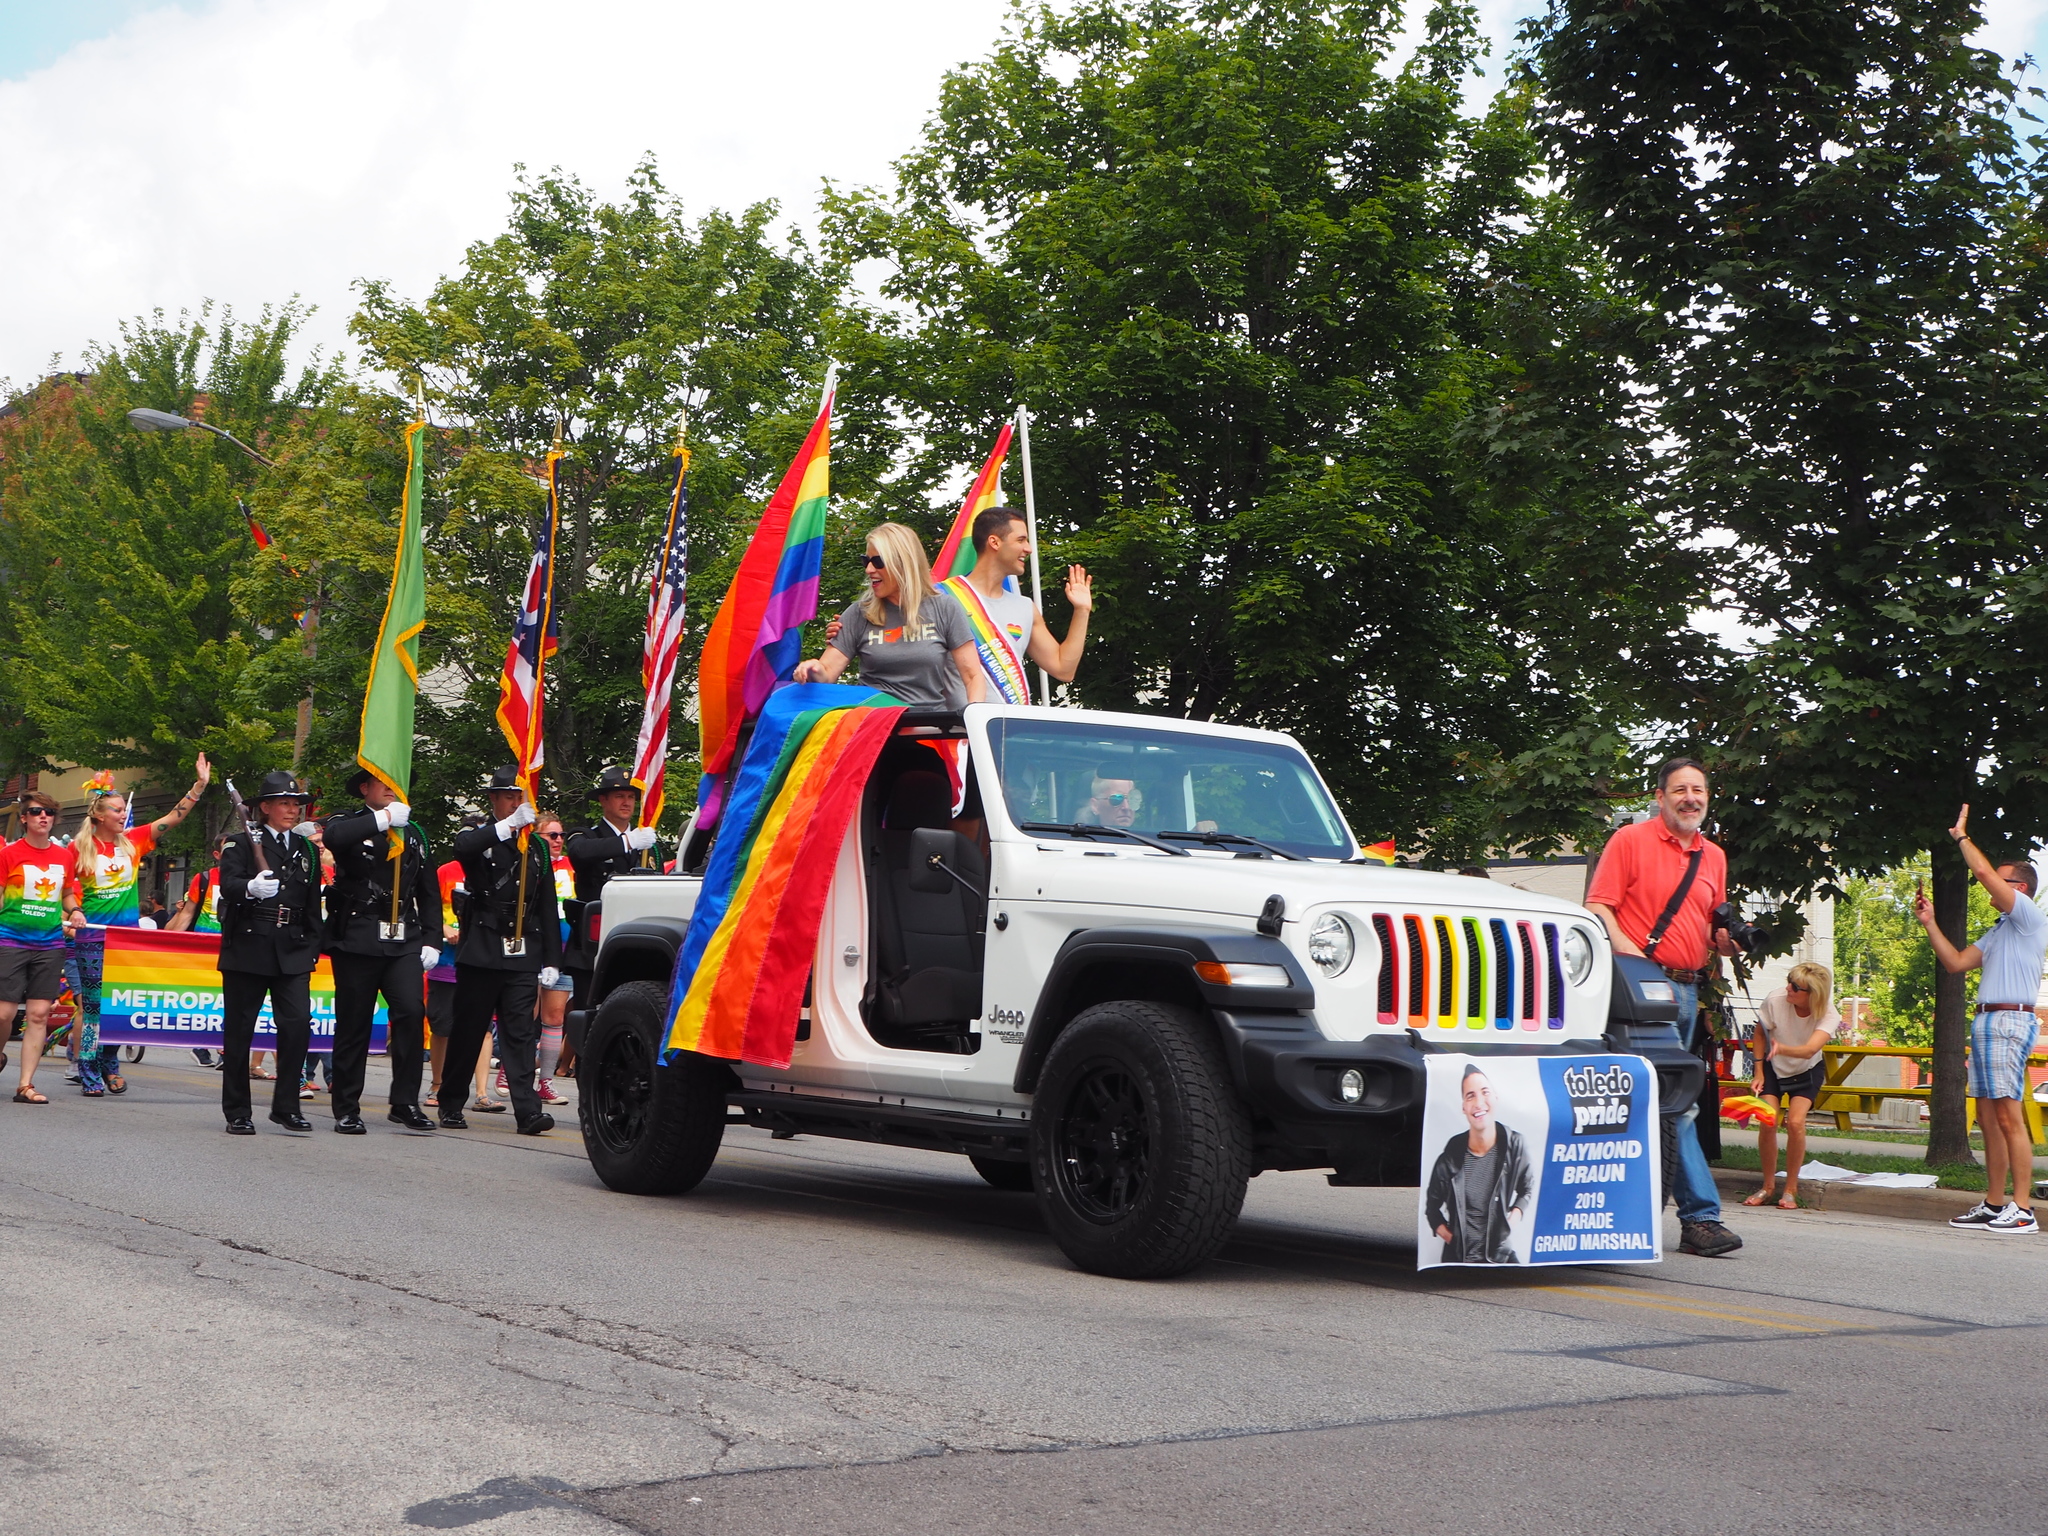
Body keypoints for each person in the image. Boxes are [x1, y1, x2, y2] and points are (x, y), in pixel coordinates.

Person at [1584, 758, 1744, 1258]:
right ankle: (1701, 1217)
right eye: (1680, 789)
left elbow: (1708, 923)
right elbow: (1600, 904)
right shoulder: (1629, 841)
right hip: (1640, 987)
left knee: (1661, 1102)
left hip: (1690, 990)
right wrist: (1630, 958)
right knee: (1676, 1101)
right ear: (1660, 797)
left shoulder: (1713, 856)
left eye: (1698, 789)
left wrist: (1725, 942)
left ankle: (1622, 1210)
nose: (1690, 797)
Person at [1918, 805, 2046, 1235]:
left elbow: (1987, 874)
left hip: (2010, 1022)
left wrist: (1961, 838)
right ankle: (1994, 1203)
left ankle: (2023, 1209)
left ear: (2021, 887)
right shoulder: (2000, 930)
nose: (1985, 883)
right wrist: (1931, 922)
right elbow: (1955, 962)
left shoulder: (2028, 917)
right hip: (1990, 1023)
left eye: (1998, 879)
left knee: (2009, 1116)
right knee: (1989, 1118)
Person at [68, 756, 211, 1093]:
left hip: (125, 940)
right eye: (117, 810)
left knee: (118, 1007)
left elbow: (174, 818)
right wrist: (73, 912)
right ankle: (88, 1071)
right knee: (93, 1009)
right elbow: (65, 891)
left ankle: (110, 1065)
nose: (123, 815)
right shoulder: (78, 849)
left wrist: (199, 786)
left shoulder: (133, 842)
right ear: (99, 816)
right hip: (92, 939)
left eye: (123, 810)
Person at [320, 766, 443, 1134]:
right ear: (364, 787)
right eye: (383, 783)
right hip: (357, 937)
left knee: (409, 1012)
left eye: (397, 785)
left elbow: (428, 891)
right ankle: (346, 1106)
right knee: (354, 1024)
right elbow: (335, 837)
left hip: (402, 939)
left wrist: (432, 939)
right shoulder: (350, 822)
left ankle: (404, 1101)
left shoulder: (414, 833)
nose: (393, 789)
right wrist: (383, 818)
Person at [446, 766, 560, 1135]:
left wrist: (552, 960)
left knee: (520, 1034)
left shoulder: (537, 846)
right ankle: (450, 1102)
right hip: (482, 946)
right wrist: (507, 825)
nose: (516, 802)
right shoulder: (481, 836)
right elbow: (462, 849)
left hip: (522, 949)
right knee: (469, 1030)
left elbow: (546, 906)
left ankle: (528, 1111)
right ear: (494, 799)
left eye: (521, 797)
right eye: (509, 796)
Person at [215, 771, 321, 1135]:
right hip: (249, 943)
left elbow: (311, 903)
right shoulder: (241, 841)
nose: (293, 810)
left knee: (296, 1025)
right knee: (240, 1030)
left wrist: (312, 945)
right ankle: (238, 1111)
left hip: (292, 947)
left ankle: (286, 1105)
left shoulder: (305, 848)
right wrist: (249, 887)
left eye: (296, 804)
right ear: (265, 807)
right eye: (285, 803)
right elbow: (228, 884)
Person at [793, 523, 986, 709]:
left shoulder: (945, 608)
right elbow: (826, 674)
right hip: (874, 727)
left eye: (878, 561)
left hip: (929, 727)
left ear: (904, 563)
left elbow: (973, 677)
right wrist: (813, 669)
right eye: (866, 560)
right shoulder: (858, 614)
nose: (869, 569)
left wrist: (974, 720)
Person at [940, 504, 1093, 703]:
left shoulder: (1025, 607)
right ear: (994, 542)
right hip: (957, 730)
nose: (1028, 549)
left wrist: (1082, 610)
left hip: (1009, 730)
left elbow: (1063, 669)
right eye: (1021, 540)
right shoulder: (941, 597)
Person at [1, 792, 86, 1104]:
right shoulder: (9, 854)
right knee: (3, 1014)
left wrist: (75, 910)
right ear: (24, 818)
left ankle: (25, 1085)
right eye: (36, 812)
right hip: (10, 939)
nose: (43, 817)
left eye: (49, 812)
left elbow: (67, 895)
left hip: (49, 944)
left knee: (38, 1014)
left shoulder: (64, 857)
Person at [1743, 962, 1840, 1211]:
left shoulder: (1828, 1013)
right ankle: (1767, 1186)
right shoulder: (1776, 999)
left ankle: (1791, 1190)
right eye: (1789, 981)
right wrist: (1758, 1071)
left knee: (1796, 1123)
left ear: (1812, 994)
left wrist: (1782, 1048)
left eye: (1796, 987)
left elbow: (1809, 1050)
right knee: (1768, 1120)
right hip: (1773, 1067)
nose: (1788, 988)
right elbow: (1760, 1034)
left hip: (1807, 1070)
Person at [1424, 1065, 1534, 1264]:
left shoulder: (1515, 1145)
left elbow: (1527, 1189)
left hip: (1501, 1257)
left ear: (1496, 1097)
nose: (1479, 1102)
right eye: (1470, 1096)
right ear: (1463, 1107)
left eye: (1485, 1093)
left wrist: (1510, 1222)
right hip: (1458, 1259)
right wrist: (1453, 1240)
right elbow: (1431, 1209)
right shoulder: (1449, 1158)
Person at [1077, 775, 1142, 829]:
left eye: (1132, 799)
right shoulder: (1081, 841)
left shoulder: (1148, 839)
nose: (1127, 807)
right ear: (1095, 806)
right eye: (1116, 799)